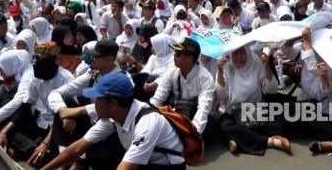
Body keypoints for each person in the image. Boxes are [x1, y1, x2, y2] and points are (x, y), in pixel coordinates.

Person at [41, 72, 185, 170]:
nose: (94, 103)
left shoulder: (148, 122)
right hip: (144, 162)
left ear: (113, 104)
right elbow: (78, 147)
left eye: (98, 99)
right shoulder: (112, 117)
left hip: (165, 167)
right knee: (94, 152)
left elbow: (127, 167)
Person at [47, 40, 124, 169]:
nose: (91, 59)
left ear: (109, 59)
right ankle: (66, 160)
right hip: (92, 123)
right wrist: (63, 112)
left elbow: (109, 109)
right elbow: (56, 93)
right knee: (64, 101)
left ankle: (78, 161)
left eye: (96, 56)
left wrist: (77, 111)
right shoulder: (93, 75)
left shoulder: (122, 79)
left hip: (111, 131)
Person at [216, 46, 290, 155]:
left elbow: (272, 90)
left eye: (242, 53)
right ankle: (270, 141)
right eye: (235, 53)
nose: (239, 57)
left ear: (248, 54)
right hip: (234, 112)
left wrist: (266, 67)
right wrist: (220, 71)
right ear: (230, 55)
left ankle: (238, 139)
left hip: (256, 111)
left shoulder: (256, 64)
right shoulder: (225, 67)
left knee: (280, 122)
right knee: (224, 125)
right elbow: (221, 97)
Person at [150, 37, 215, 136]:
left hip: (196, 115)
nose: (174, 56)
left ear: (190, 58)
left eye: (178, 54)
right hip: (179, 111)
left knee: (207, 127)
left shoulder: (206, 78)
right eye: (175, 52)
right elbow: (158, 97)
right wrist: (146, 115)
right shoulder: (173, 71)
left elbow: (203, 109)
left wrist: (192, 133)